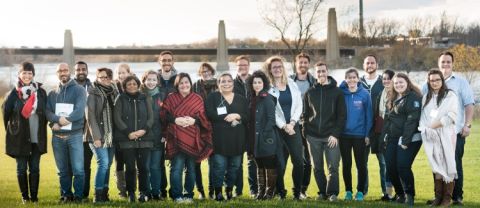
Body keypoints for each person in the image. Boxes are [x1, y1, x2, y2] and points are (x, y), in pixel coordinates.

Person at [423, 51, 475, 206]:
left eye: (448, 62)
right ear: (438, 64)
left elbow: (469, 104)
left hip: (455, 131)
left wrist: (467, 125)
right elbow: (422, 101)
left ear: (452, 64)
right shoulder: (429, 83)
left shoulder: (460, 82)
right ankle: (438, 196)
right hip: (435, 133)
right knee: (437, 162)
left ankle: (456, 196)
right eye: (442, 62)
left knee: (454, 163)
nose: (445, 64)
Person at [161, 73, 213, 203]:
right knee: (176, 168)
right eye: (181, 83)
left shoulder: (197, 98)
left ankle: (188, 194)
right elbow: (164, 115)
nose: (184, 85)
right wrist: (175, 119)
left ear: (190, 84)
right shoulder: (171, 98)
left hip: (193, 139)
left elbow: (203, 118)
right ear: (177, 86)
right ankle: (176, 195)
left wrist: (194, 121)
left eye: (187, 82)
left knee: (191, 168)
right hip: (175, 138)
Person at [2, 61, 47, 204]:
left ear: (33, 74)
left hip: (36, 137)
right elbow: (5, 115)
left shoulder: (41, 92)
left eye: (30, 73)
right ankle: (25, 197)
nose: (27, 75)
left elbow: (45, 114)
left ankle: (34, 198)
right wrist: (13, 132)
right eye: (24, 73)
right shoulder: (13, 94)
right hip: (19, 138)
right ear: (19, 74)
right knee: (21, 169)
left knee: (34, 169)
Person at [303, 62, 346, 202]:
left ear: (327, 72)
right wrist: (306, 131)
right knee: (317, 167)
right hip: (313, 136)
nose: (321, 74)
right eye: (318, 72)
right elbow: (305, 113)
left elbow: (342, 116)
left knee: (333, 166)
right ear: (315, 74)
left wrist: (335, 134)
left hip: (331, 136)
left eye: (323, 71)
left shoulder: (337, 91)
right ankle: (322, 192)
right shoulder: (310, 92)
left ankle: (332, 193)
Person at [263, 56, 304, 200]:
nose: (277, 69)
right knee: (279, 163)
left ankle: (297, 192)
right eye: (274, 67)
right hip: (278, 130)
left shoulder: (292, 84)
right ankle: (281, 192)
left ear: (283, 68)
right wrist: (284, 125)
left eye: (279, 66)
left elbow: (299, 105)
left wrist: (292, 123)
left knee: (298, 161)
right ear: (270, 70)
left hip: (293, 128)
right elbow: (271, 111)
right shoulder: (268, 88)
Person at [46, 63, 87, 203]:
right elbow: (47, 112)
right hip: (57, 137)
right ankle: (66, 195)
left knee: (78, 170)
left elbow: (80, 111)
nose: (63, 73)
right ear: (57, 74)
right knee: (62, 170)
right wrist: (56, 121)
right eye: (60, 71)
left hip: (74, 136)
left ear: (69, 72)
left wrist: (66, 120)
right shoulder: (52, 93)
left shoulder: (79, 90)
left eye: (65, 70)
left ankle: (78, 196)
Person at [206, 73, 248, 201]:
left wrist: (237, 116)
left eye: (229, 81)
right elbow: (209, 114)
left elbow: (247, 117)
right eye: (223, 81)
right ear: (218, 84)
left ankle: (229, 190)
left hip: (237, 138)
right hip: (219, 139)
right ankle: (218, 192)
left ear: (233, 83)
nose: (226, 83)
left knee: (234, 167)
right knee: (219, 166)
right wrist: (228, 117)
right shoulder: (213, 97)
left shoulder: (241, 99)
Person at [419, 69, 458, 206]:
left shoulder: (450, 95)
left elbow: (452, 115)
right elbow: (422, 119)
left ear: (442, 80)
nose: (435, 83)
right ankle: (438, 197)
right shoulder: (426, 97)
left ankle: (447, 198)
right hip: (431, 136)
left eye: (437, 80)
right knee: (436, 165)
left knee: (448, 164)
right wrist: (427, 129)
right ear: (428, 82)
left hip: (446, 133)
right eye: (432, 80)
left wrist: (434, 125)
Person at [382, 73, 422, 206]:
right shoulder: (392, 97)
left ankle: (409, 195)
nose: (398, 85)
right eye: (396, 83)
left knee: (403, 166)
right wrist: (384, 138)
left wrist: (405, 141)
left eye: (401, 82)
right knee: (390, 167)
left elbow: (412, 121)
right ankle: (400, 194)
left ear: (407, 83)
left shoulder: (413, 98)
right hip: (392, 138)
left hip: (409, 139)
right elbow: (388, 120)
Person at [113, 75, 154, 203]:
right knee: (130, 168)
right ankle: (131, 192)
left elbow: (151, 117)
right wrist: (128, 132)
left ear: (138, 85)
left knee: (144, 168)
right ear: (124, 87)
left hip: (145, 138)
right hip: (127, 140)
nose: (132, 86)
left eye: (134, 84)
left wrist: (144, 130)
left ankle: (143, 193)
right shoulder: (120, 98)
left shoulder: (145, 97)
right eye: (129, 84)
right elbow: (117, 118)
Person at [85, 67, 119, 202]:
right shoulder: (92, 92)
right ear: (97, 78)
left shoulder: (114, 91)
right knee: (103, 163)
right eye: (101, 77)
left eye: (107, 77)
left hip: (111, 135)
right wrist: (96, 137)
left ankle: (105, 194)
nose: (104, 79)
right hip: (97, 135)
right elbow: (90, 116)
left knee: (108, 164)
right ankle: (97, 195)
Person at [339, 68, 373, 201]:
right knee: (346, 164)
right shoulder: (341, 93)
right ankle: (348, 191)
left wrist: (367, 135)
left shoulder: (365, 94)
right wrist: (342, 85)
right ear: (345, 79)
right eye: (349, 77)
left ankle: (360, 192)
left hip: (360, 135)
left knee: (361, 164)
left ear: (358, 79)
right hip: (344, 135)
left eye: (354, 77)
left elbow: (369, 116)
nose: (351, 80)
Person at [246, 70, 280, 200]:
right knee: (259, 165)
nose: (257, 84)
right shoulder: (251, 98)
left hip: (266, 138)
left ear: (264, 83)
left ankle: (269, 193)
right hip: (253, 138)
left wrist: (264, 135)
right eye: (254, 82)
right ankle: (261, 193)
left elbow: (272, 119)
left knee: (269, 164)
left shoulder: (268, 98)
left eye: (259, 82)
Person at [359, 55, 388, 199]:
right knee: (362, 163)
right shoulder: (357, 81)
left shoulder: (384, 81)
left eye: (372, 62)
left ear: (377, 64)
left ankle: (386, 192)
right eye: (367, 63)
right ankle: (362, 192)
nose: (370, 65)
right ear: (363, 65)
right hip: (362, 129)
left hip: (379, 129)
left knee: (383, 163)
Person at [289, 53, 315, 199]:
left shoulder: (314, 82)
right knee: (286, 158)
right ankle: (279, 190)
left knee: (306, 160)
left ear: (308, 65)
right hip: (290, 125)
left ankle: (302, 190)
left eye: (305, 62)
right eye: (301, 62)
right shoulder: (288, 81)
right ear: (296, 63)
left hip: (308, 125)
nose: (303, 65)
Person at [192, 62, 218, 199]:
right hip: (198, 128)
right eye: (203, 72)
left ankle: (212, 191)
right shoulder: (195, 86)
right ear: (200, 73)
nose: (206, 73)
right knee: (196, 162)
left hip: (214, 128)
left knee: (213, 163)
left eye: (208, 71)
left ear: (212, 72)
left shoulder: (218, 85)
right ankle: (200, 191)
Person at [140, 70, 166, 200]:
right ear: (144, 81)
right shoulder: (140, 96)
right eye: (148, 79)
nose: (151, 82)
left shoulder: (162, 96)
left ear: (158, 81)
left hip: (158, 136)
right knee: (144, 167)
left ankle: (156, 193)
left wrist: (165, 133)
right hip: (143, 137)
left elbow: (166, 116)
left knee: (155, 167)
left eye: (154, 80)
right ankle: (145, 192)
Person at [233, 55, 256, 198]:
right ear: (236, 67)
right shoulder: (231, 83)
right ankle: (238, 190)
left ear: (249, 66)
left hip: (252, 126)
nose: (242, 67)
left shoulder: (255, 81)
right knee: (237, 160)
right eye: (240, 65)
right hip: (236, 126)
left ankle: (254, 190)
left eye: (245, 65)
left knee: (252, 160)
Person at [371, 69, 396, 200]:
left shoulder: (397, 94)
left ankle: (398, 192)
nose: (386, 81)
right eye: (384, 78)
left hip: (392, 133)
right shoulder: (381, 94)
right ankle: (387, 193)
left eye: (388, 78)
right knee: (385, 163)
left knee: (392, 164)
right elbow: (378, 114)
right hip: (381, 132)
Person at [74, 61, 94, 200]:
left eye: (83, 69)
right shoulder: (69, 87)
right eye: (78, 69)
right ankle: (69, 194)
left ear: (87, 71)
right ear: (74, 72)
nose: (81, 71)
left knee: (86, 165)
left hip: (88, 133)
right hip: (72, 133)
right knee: (72, 166)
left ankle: (84, 194)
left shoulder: (93, 88)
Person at [112, 63, 132, 198]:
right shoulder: (113, 89)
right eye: (119, 73)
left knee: (131, 161)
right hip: (117, 131)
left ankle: (132, 189)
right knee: (119, 161)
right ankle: (122, 190)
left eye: (123, 72)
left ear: (129, 73)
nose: (121, 75)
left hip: (132, 131)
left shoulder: (135, 87)